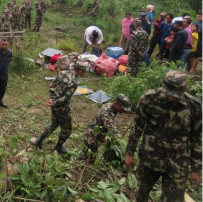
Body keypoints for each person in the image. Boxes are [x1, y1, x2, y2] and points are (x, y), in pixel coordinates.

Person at [125, 70, 202, 202]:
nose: (172, 98)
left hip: (177, 163)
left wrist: (196, 169)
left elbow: (197, 140)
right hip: (150, 158)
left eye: (176, 95)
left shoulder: (194, 107)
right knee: (141, 194)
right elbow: (137, 127)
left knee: (174, 199)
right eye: (169, 94)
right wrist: (129, 153)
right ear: (163, 85)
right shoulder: (149, 99)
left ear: (185, 89)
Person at [30, 62, 87, 154]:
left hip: (54, 104)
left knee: (54, 124)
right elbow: (65, 99)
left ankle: (39, 140)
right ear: (79, 70)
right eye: (83, 71)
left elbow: (53, 85)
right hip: (62, 108)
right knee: (67, 129)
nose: (84, 73)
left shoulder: (63, 73)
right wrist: (54, 103)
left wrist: (51, 99)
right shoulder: (73, 82)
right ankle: (58, 147)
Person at [82, 94, 131, 161]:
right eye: (122, 108)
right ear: (116, 104)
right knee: (88, 158)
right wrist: (121, 141)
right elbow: (112, 129)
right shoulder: (106, 112)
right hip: (92, 135)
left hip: (100, 133)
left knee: (92, 155)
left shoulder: (112, 107)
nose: (123, 110)